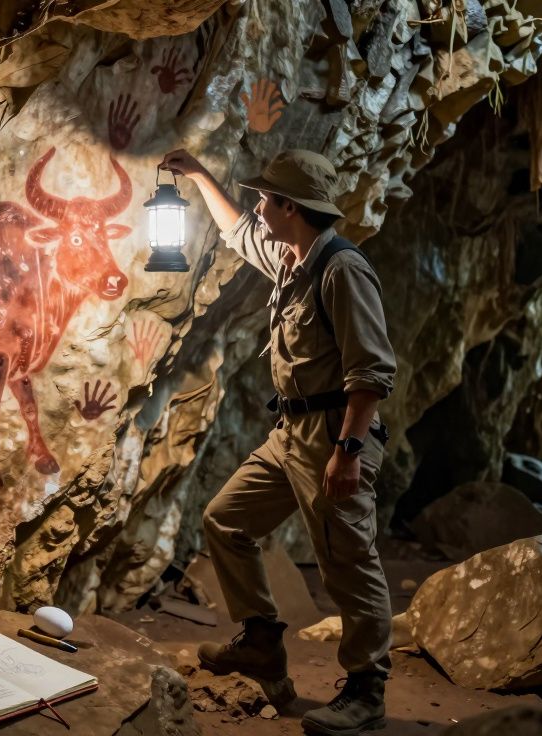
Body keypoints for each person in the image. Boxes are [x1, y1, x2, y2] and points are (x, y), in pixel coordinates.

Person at [159, 148, 396, 736]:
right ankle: (262, 642)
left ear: (290, 207)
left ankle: (367, 690)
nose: (259, 205)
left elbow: (370, 374)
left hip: (332, 434)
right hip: (290, 431)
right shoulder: (292, 257)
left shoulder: (341, 270)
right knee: (226, 520)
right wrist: (198, 176)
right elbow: (238, 231)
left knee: (348, 560)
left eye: (266, 198)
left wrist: (348, 452)